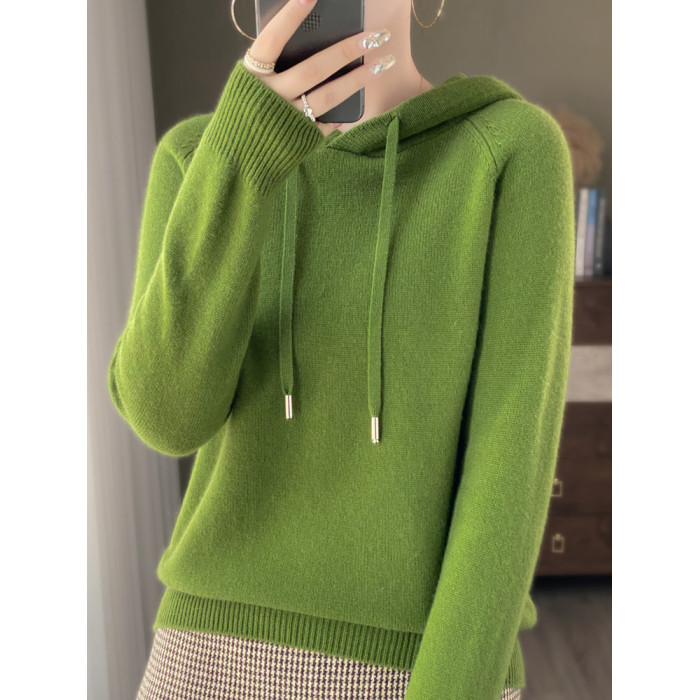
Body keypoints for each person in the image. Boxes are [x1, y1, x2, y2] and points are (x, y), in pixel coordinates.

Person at [107, 0, 575, 698]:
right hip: (203, 654)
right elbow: (165, 418)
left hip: (413, 667)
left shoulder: (508, 150)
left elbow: (509, 471)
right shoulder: (202, 159)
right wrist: (243, 154)